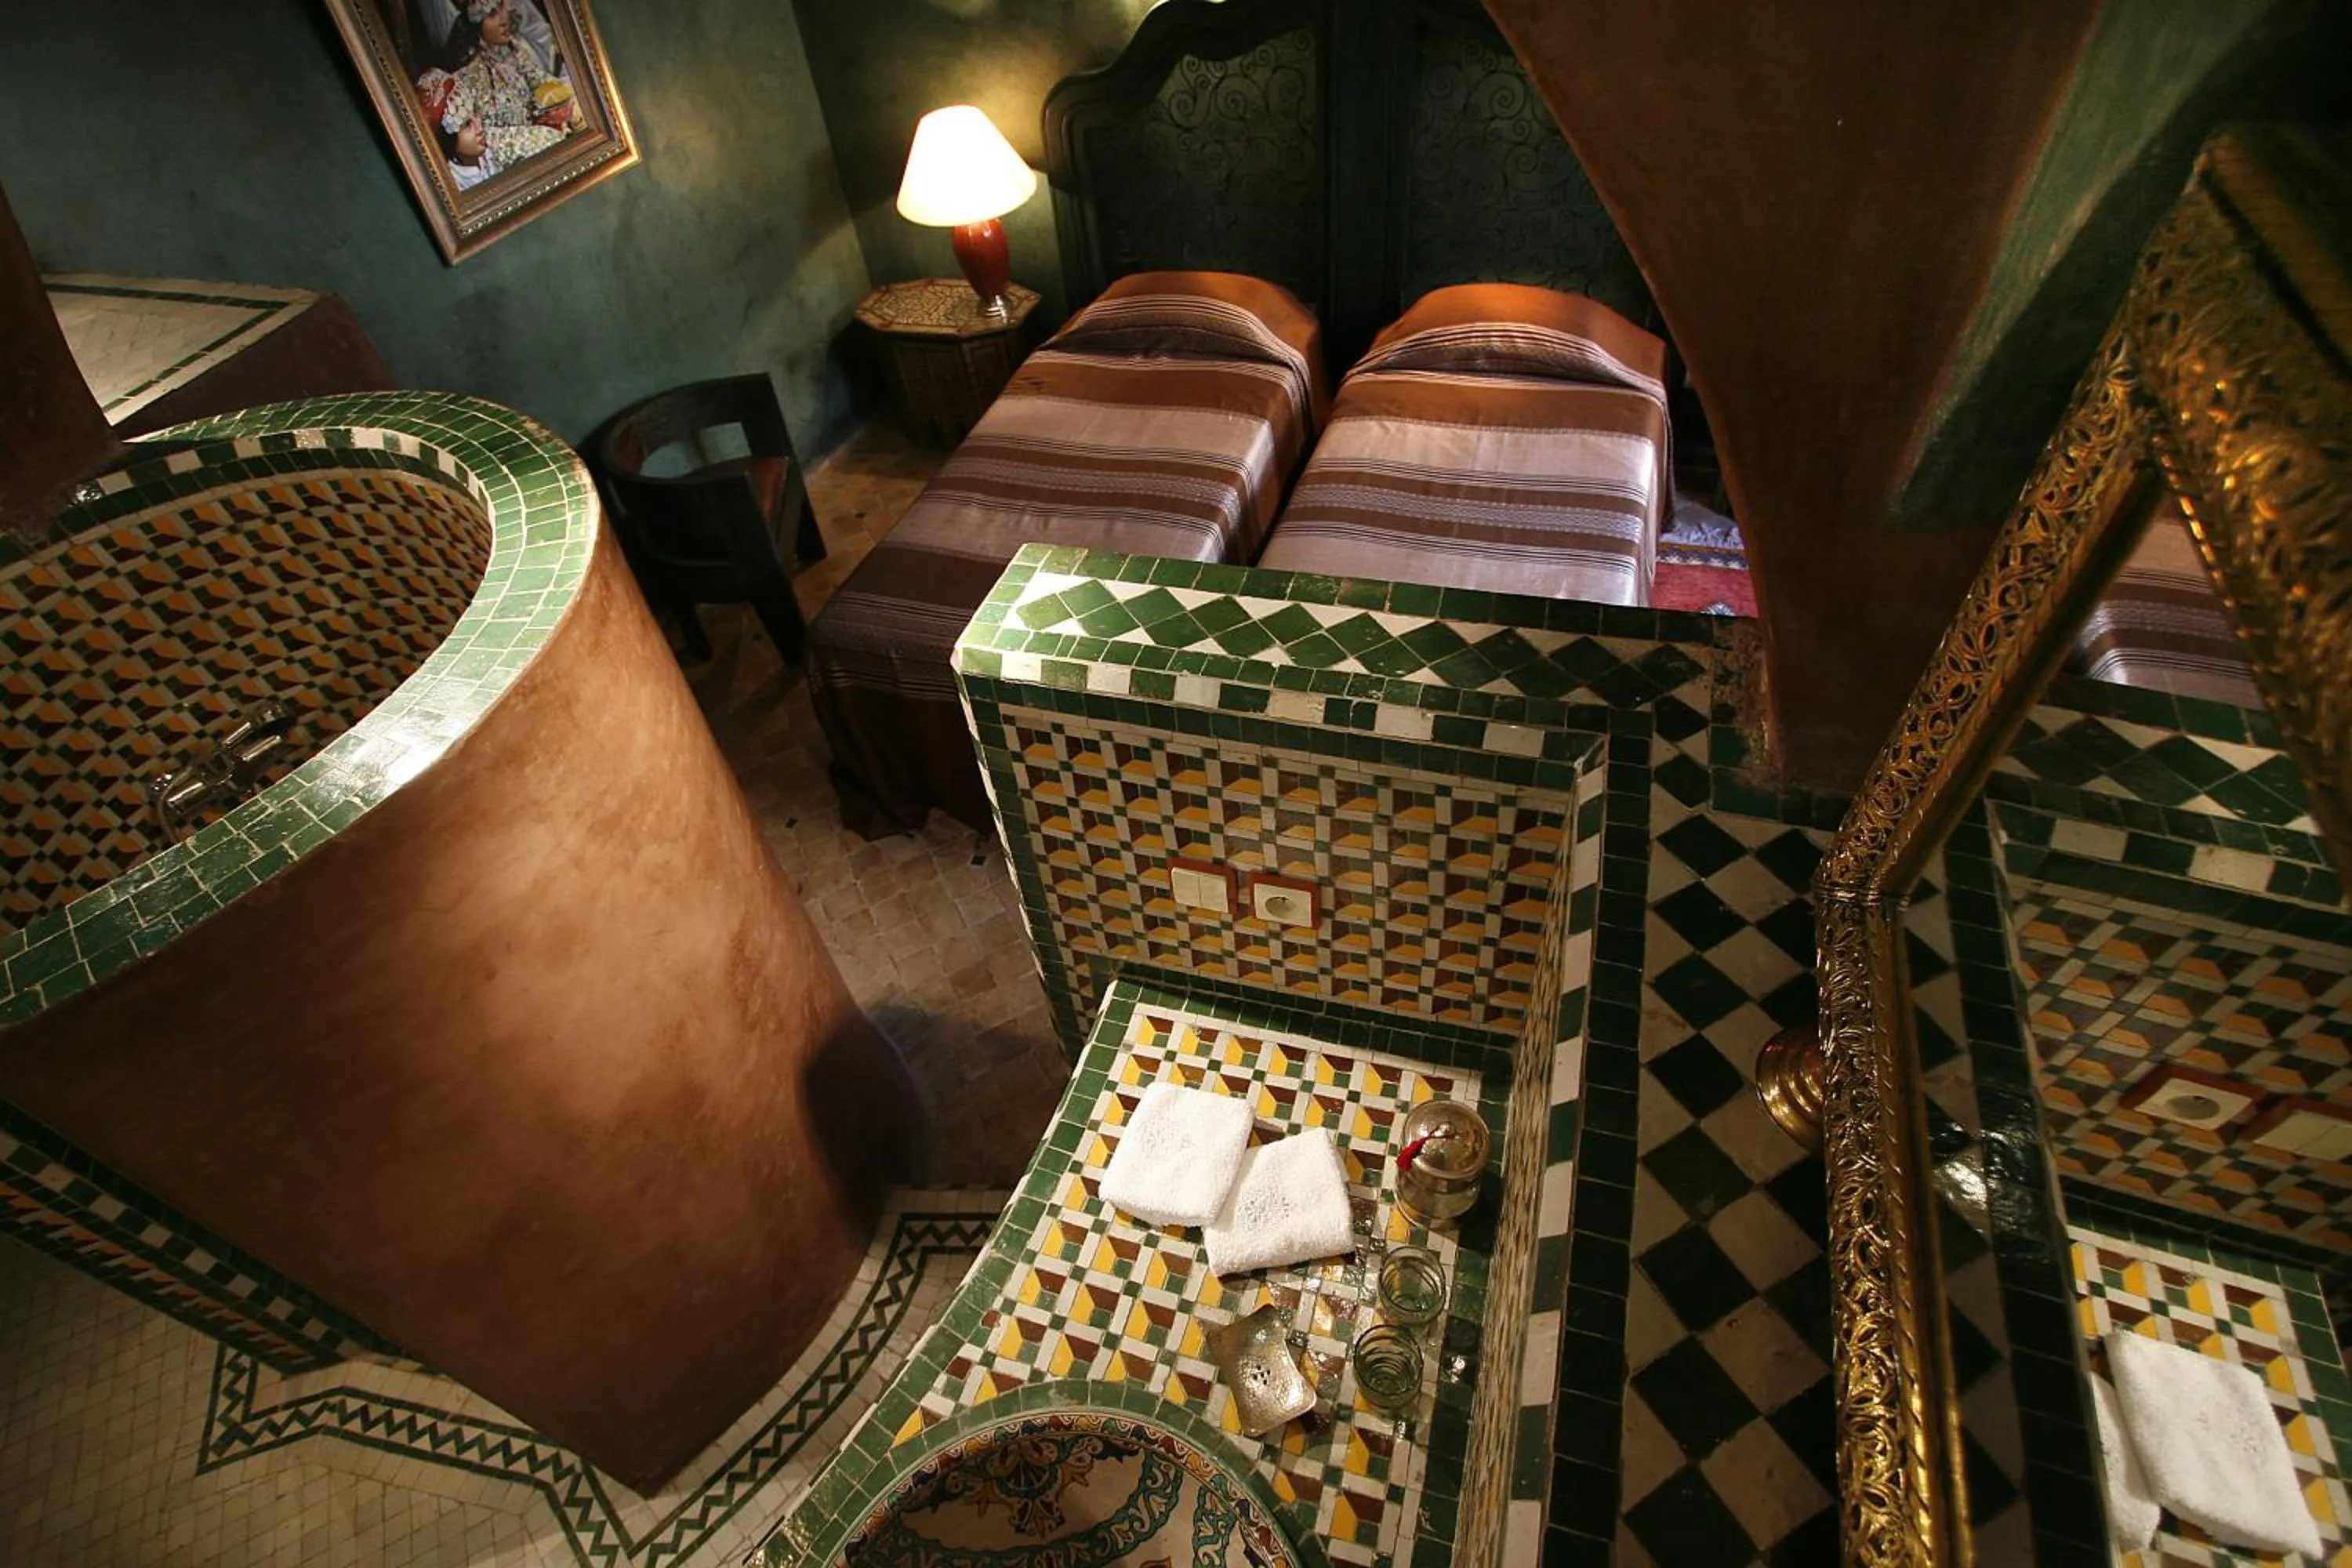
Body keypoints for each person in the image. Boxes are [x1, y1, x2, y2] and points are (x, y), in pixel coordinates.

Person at [426, 0, 579, 176]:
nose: (504, 19)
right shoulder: (468, 75)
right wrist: (546, 135)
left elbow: (537, 80)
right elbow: (482, 137)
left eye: (502, 6)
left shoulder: (511, 50)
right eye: (492, 14)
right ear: (473, 24)